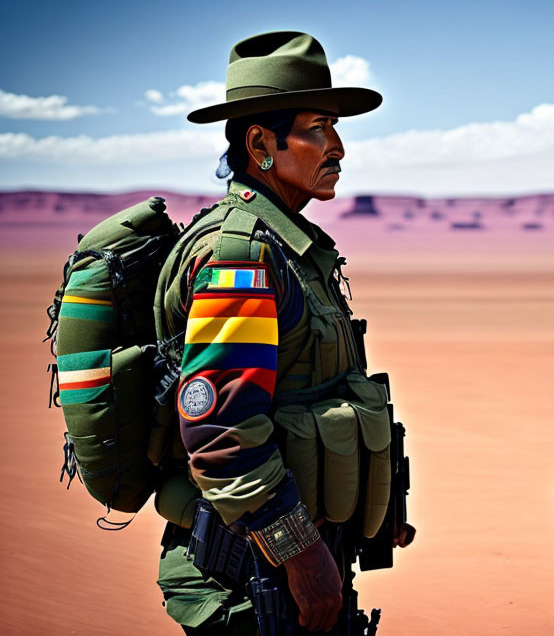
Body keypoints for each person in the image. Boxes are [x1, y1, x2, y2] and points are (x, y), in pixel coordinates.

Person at [154, 31, 414, 635]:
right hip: (254, 578)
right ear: (261, 143)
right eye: (319, 128)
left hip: (285, 561)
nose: (339, 148)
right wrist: (300, 556)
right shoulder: (241, 256)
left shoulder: (288, 248)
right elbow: (221, 431)